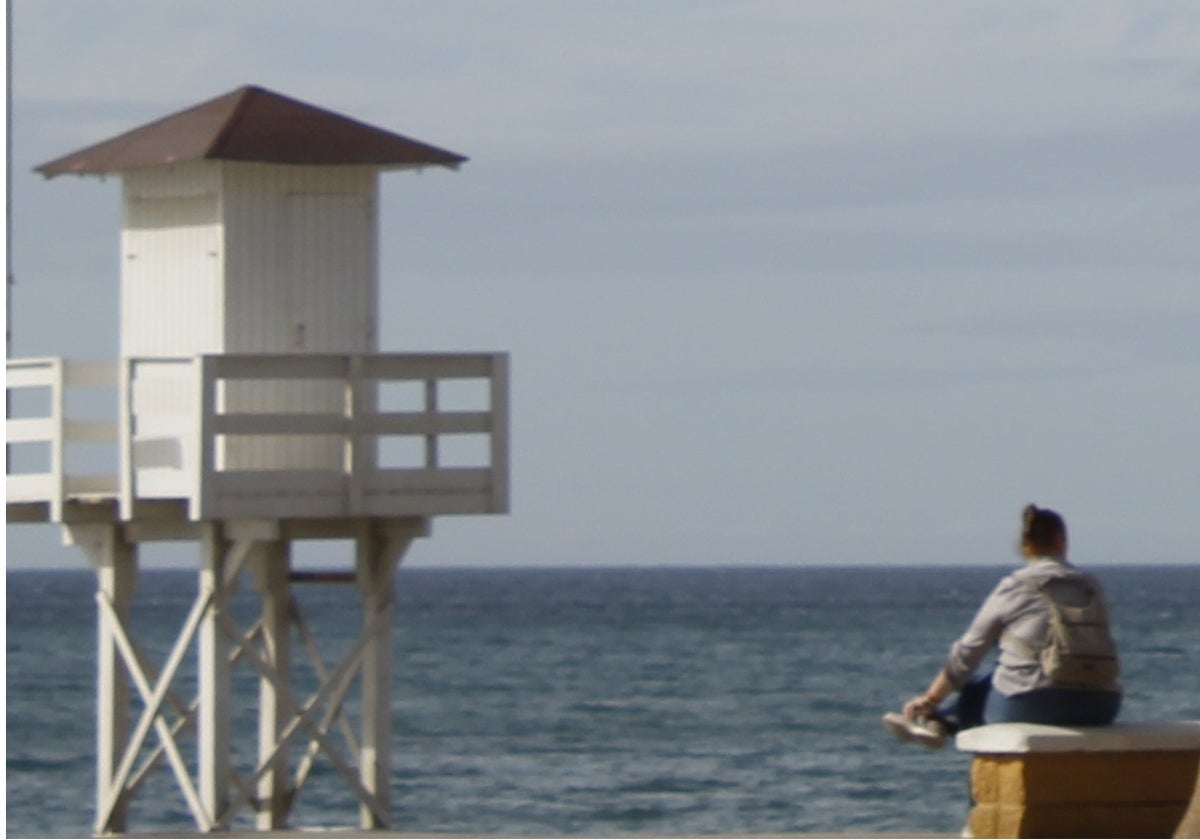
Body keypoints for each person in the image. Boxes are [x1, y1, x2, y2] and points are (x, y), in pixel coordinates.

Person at [883, 504, 1122, 749]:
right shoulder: (1092, 587)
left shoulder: (1018, 586)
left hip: (1038, 705)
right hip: (1102, 705)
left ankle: (939, 720)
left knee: (979, 685)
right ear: (1061, 541)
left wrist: (930, 699)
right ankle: (942, 721)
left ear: (1025, 546)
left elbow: (967, 653)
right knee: (995, 675)